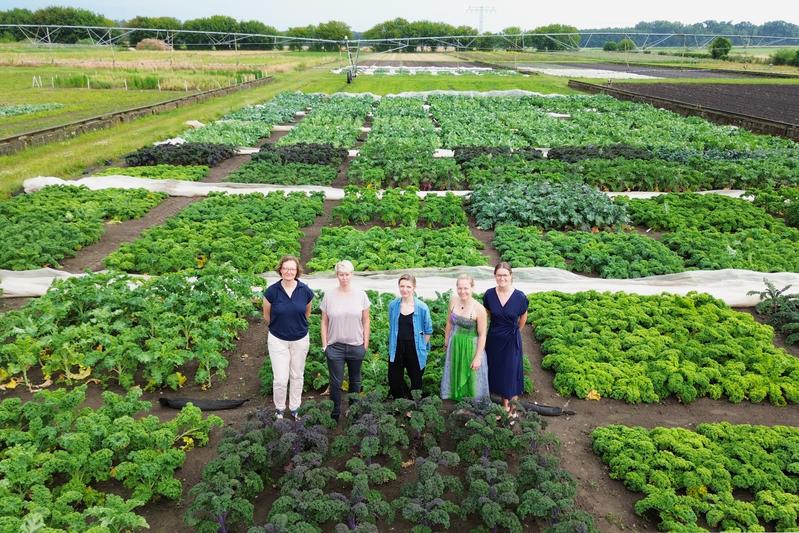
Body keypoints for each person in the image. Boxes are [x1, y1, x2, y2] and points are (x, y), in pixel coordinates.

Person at [263, 255, 314, 421]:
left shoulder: (305, 290)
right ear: (280, 270)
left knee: (297, 375)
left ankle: (294, 408)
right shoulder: (272, 291)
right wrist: (281, 327)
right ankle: (279, 408)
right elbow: (267, 315)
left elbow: (307, 313)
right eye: (285, 268)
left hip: (300, 339)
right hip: (278, 339)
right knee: (280, 378)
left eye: (292, 269)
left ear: (297, 271)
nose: (288, 271)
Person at [320, 260, 371, 421]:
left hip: (356, 345)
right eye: (341, 274)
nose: (344, 278)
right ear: (337, 275)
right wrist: (325, 345)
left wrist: (366, 344)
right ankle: (335, 413)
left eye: (347, 274)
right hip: (335, 347)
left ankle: (354, 412)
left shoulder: (361, 295)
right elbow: (324, 321)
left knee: (355, 381)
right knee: (336, 382)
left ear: (352, 275)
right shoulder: (329, 295)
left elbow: (366, 320)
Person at [484, 262, 529, 415]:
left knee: (510, 373)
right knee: (498, 371)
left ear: (511, 276)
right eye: (499, 275)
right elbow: (488, 314)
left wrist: (516, 330)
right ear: (495, 276)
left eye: (505, 275)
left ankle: (513, 409)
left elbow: (523, 316)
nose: (502, 278)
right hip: (494, 339)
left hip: (511, 339)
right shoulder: (489, 294)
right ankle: (503, 406)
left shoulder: (520, 296)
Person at [441, 274, 490, 401]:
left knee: (472, 376)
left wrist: (478, 357)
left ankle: (473, 403)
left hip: (471, 346)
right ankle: (459, 400)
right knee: (456, 369)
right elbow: (449, 322)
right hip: (455, 343)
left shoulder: (479, 309)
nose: (462, 291)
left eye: (466, 288)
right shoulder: (453, 301)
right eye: (460, 288)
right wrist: (446, 341)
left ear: (472, 288)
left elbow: (482, 335)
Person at [387, 273, 433, 399]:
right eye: (402, 286)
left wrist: (422, 346)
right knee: (394, 380)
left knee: (416, 380)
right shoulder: (393, 305)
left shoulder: (422, 307)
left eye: (408, 286)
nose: (404, 289)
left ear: (414, 287)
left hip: (415, 349)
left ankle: (413, 407)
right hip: (397, 348)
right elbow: (392, 325)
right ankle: (400, 402)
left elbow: (428, 330)